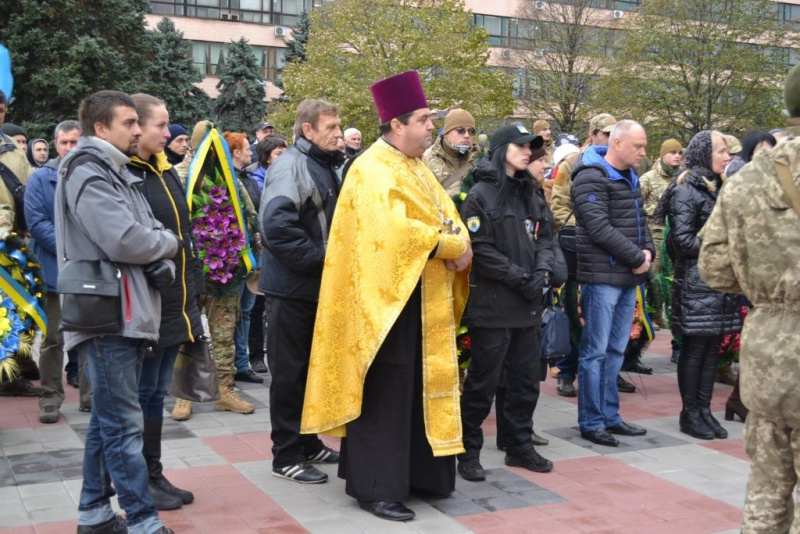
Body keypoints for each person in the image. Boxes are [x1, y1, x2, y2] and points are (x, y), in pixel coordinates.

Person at [301, 71, 472, 522]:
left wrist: (460, 241)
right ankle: (377, 486)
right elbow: (392, 232)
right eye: (423, 119)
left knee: (415, 390)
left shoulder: (415, 166)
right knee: (387, 394)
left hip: (418, 297)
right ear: (396, 125)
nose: (430, 127)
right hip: (384, 306)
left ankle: (421, 475)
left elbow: (447, 216)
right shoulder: (372, 168)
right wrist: (453, 245)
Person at [56, 90, 179, 534]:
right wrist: (167, 244)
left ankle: (94, 515)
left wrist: (158, 238)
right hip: (107, 315)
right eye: (129, 123)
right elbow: (127, 238)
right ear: (101, 129)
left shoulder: (113, 169)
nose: (138, 130)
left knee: (107, 423)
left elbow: (149, 227)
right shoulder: (89, 170)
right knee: (124, 426)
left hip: (121, 310)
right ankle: (144, 521)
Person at [697, 64, 800, 532]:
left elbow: (713, 267)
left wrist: (766, 286)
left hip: (768, 358)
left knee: (767, 491)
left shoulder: (746, 178)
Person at [457, 125, 554, 483]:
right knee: (483, 383)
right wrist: (520, 277)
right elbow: (480, 249)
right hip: (494, 304)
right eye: (521, 145)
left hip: (527, 304)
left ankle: (518, 445)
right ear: (501, 149)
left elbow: (545, 235)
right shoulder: (480, 194)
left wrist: (542, 272)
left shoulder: (531, 192)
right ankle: (468, 451)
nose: (529, 151)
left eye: (532, 147)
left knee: (525, 381)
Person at [259, 99, 343, 484]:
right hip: (292, 290)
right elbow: (277, 229)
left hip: (314, 287)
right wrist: (324, 259)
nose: (338, 133)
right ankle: (286, 455)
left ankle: (308, 443)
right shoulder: (290, 165)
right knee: (290, 374)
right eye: (331, 127)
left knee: (311, 372)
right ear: (307, 130)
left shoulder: (323, 164)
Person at [127, 94, 204, 511]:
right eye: (160, 125)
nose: (167, 132)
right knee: (143, 394)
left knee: (156, 391)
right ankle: (140, 478)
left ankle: (154, 472)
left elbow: (184, 235)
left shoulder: (163, 170)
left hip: (176, 300)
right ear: (136, 127)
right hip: (149, 302)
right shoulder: (130, 173)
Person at [571, 120, 655, 447]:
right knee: (594, 352)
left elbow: (640, 221)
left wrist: (648, 249)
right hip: (601, 278)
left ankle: (610, 416)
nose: (643, 152)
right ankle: (591, 421)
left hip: (625, 278)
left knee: (616, 350)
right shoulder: (590, 176)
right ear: (617, 143)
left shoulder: (630, 177)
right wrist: (637, 258)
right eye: (638, 146)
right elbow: (598, 228)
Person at [654, 130, 742, 440]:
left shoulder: (718, 187)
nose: (727, 156)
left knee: (710, 351)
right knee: (694, 350)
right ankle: (689, 413)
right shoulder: (686, 189)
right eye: (721, 150)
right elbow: (683, 240)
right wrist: (723, 247)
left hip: (717, 283)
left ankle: (704, 411)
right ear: (705, 153)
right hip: (695, 282)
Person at [24, 120, 81, 424]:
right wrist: (72, 246)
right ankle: (50, 397)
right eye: (64, 143)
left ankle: (90, 394)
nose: (70, 148)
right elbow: (36, 223)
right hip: (54, 271)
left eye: (75, 142)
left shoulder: (91, 175)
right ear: (56, 144)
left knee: (90, 334)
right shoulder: (41, 179)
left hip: (89, 272)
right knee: (53, 339)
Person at [0, 90, 38, 397]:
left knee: (14, 309)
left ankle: (13, 372)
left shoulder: (11, 148)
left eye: (1, 110)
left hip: (12, 241)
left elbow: (25, 191)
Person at [224, 131, 263, 385]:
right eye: (247, 149)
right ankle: (233, 364)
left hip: (252, 252)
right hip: (235, 256)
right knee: (235, 312)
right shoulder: (228, 180)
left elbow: (254, 211)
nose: (251, 152)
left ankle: (243, 362)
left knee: (246, 310)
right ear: (236, 152)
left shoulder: (247, 179)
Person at [640, 139, 683, 331]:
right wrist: (656, 209)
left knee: (671, 278)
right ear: (663, 155)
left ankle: (667, 314)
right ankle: (652, 314)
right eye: (673, 152)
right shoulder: (648, 178)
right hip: (654, 233)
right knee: (654, 277)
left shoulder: (682, 178)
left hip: (674, 234)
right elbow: (635, 205)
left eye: (679, 153)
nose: (677, 156)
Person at [423, 109, 479, 197]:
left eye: (471, 131)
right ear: (446, 133)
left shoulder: (480, 158)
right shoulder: (426, 159)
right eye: (460, 131)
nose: (467, 135)